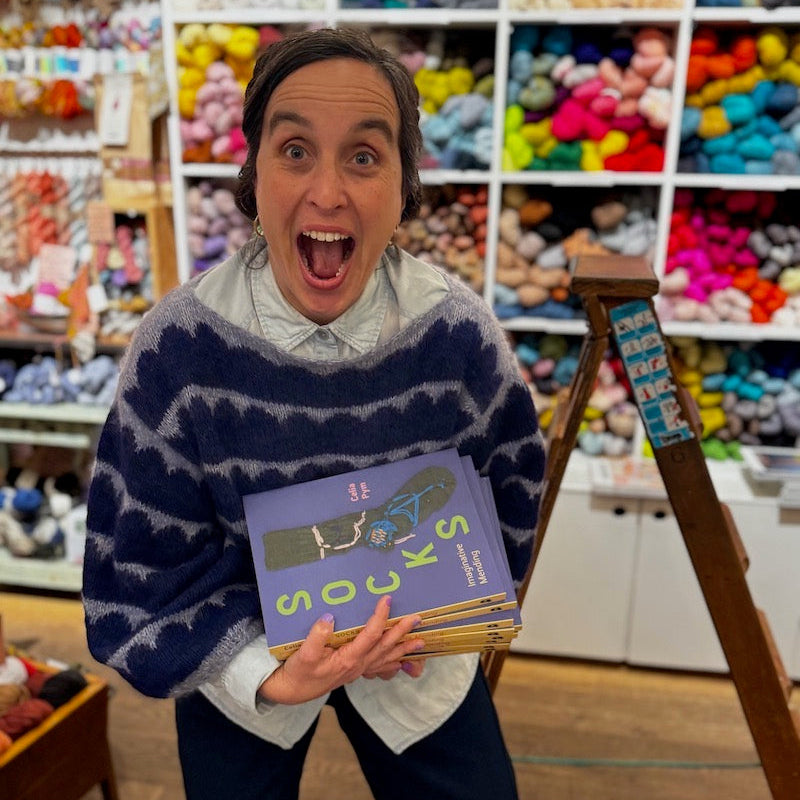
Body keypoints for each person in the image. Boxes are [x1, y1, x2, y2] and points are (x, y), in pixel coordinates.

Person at [82, 27, 545, 800]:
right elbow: (136, 561)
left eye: (364, 156)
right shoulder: (180, 348)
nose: (327, 193)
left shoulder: (457, 336)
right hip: (241, 655)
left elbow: (510, 498)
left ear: (404, 185)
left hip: (415, 655)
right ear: (252, 171)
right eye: (295, 150)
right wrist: (260, 670)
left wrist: (448, 613)